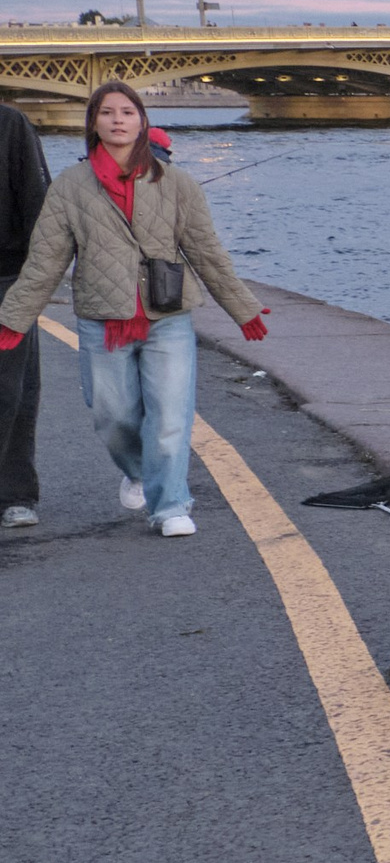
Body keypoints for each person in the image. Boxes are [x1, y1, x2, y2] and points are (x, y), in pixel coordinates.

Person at [0, 81, 270, 537]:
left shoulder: (176, 183)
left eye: (128, 112)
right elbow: (46, 261)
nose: (118, 120)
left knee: (168, 415)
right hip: (102, 317)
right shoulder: (69, 187)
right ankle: (139, 471)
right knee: (113, 416)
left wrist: (242, 308)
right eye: (108, 113)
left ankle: (170, 506)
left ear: (143, 122)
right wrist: (15, 318)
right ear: (94, 123)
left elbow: (206, 252)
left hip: (167, 313)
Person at [0, 101, 50, 527]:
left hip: (7, 278)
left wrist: (35, 281)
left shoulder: (11, 124)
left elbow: (39, 206)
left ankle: (16, 494)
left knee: (10, 390)